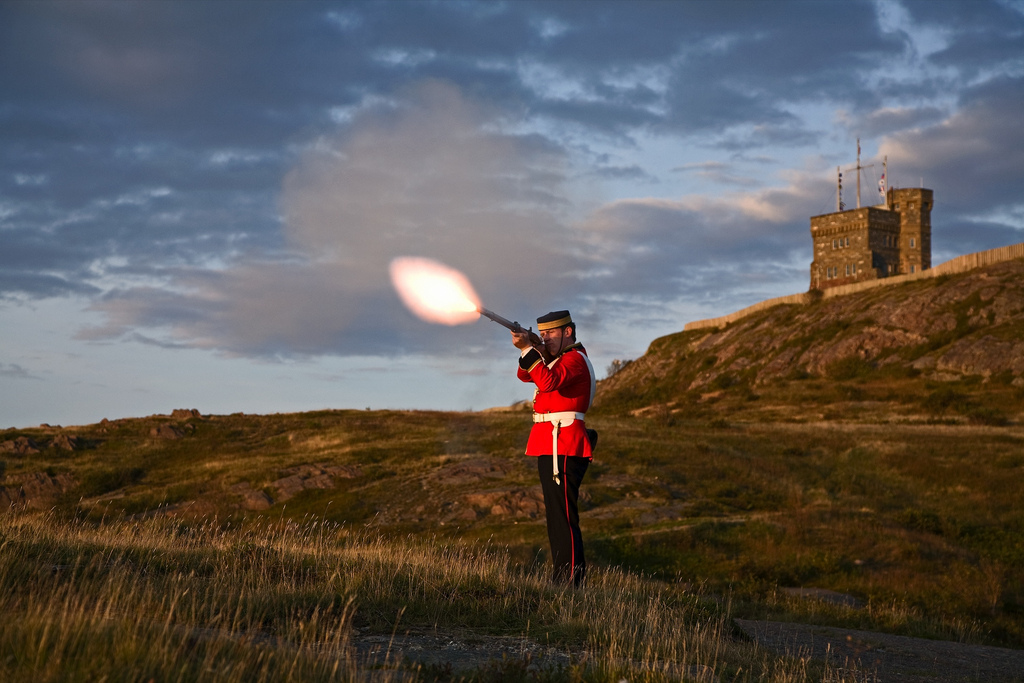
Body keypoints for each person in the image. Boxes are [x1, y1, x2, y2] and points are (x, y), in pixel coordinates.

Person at [511, 310, 596, 587]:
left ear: (567, 332)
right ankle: (566, 579)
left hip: (564, 445)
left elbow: (547, 381)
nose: (545, 339)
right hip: (552, 443)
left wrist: (529, 348)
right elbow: (525, 375)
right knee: (556, 517)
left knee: (563, 518)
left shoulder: (574, 360)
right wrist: (532, 350)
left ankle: (569, 581)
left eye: (550, 334)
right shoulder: (558, 358)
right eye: (542, 334)